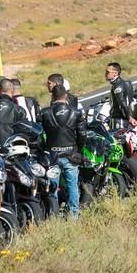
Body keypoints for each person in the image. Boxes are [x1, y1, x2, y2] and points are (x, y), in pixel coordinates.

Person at [40, 85, 87, 219]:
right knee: (72, 185)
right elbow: (83, 134)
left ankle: (52, 213)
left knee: (52, 186)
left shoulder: (45, 112)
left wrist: (43, 149)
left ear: (52, 96)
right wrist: (78, 148)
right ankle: (73, 215)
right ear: (66, 95)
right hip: (70, 154)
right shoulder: (76, 112)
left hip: (51, 154)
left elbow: (38, 134)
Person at [105, 62, 135, 129]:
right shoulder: (121, 83)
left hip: (119, 119)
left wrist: (129, 117)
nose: (105, 74)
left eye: (107, 72)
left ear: (115, 73)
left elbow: (122, 103)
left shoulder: (117, 85)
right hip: (121, 118)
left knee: (117, 138)